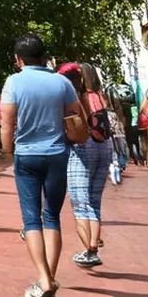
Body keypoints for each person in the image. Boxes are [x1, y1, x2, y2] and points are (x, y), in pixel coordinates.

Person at [0, 34, 82, 297]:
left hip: (27, 156)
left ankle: (44, 281)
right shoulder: (60, 82)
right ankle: (51, 278)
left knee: (32, 220)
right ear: (44, 57)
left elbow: (7, 122)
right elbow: (76, 115)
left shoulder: (14, 82)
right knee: (52, 217)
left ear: (18, 59)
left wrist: (7, 150)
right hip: (58, 155)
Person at [59, 63, 112, 268]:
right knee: (94, 199)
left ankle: (89, 250)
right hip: (105, 146)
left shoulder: (73, 99)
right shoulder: (98, 95)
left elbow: (73, 129)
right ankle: (93, 246)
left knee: (80, 201)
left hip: (84, 148)